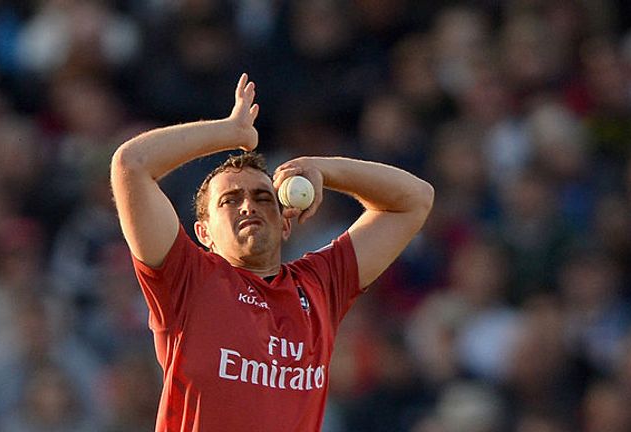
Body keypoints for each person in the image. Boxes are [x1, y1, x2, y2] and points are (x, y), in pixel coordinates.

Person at [109, 73, 434, 431]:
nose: (248, 206)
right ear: (204, 234)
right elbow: (131, 165)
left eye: (263, 198)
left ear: (285, 224)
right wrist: (231, 133)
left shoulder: (320, 285)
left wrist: (323, 169)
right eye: (230, 200)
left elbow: (414, 200)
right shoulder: (187, 279)